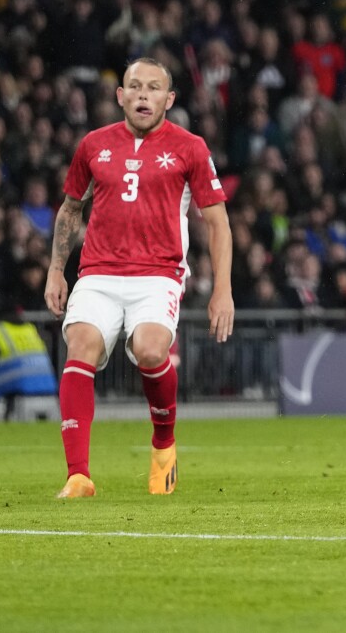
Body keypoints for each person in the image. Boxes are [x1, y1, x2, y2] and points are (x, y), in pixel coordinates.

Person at [45, 58, 234, 499]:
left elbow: (218, 222)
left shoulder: (190, 147)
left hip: (158, 274)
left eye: (153, 88)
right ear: (120, 95)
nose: (143, 94)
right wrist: (56, 269)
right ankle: (78, 476)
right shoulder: (93, 145)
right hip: (98, 272)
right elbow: (71, 209)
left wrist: (222, 290)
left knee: (151, 351)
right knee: (81, 346)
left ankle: (163, 444)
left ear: (169, 99)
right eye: (134, 86)